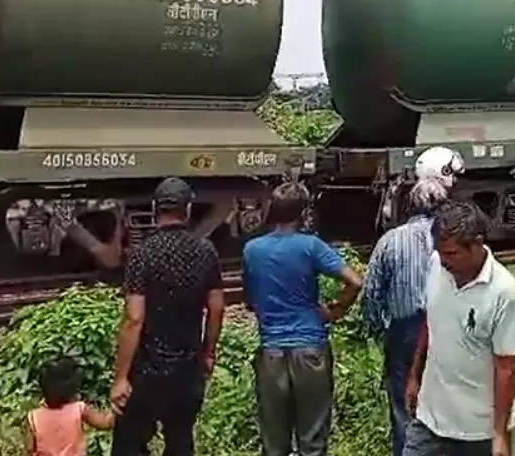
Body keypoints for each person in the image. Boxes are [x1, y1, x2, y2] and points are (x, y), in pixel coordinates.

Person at [243, 181, 363, 456]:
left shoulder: (252, 250)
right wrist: (335, 310)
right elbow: (355, 282)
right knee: (313, 440)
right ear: (303, 213)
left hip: (271, 351)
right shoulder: (311, 246)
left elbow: (250, 302)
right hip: (311, 349)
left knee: (274, 443)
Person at [110, 177, 225, 456]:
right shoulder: (205, 251)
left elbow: (134, 319)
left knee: (128, 442)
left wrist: (121, 378)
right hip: (187, 369)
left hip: (148, 369)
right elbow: (217, 307)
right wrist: (208, 352)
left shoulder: (143, 254)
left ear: (154, 208)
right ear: (187, 210)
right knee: (180, 438)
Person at [405, 200, 515, 456]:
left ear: (477, 244)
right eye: (439, 251)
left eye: (451, 253)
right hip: (430, 419)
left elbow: (506, 368)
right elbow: (431, 321)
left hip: (478, 430)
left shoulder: (504, 292)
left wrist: (500, 434)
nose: (443, 259)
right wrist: (415, 375)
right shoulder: (437, 266)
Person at [362, 177, 451, 456]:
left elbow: (372, 292)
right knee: (444, 397)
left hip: (403, 330)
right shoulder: (451, 240)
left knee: (402, 402)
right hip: (445, 327)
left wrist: (377, 329)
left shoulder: (390, 240)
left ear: (410, 205)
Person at [26, 357, 113, 456]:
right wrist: (121, 405)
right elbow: (105, 422)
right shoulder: (79, 409)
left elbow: (30, 449)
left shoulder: (34, 417)